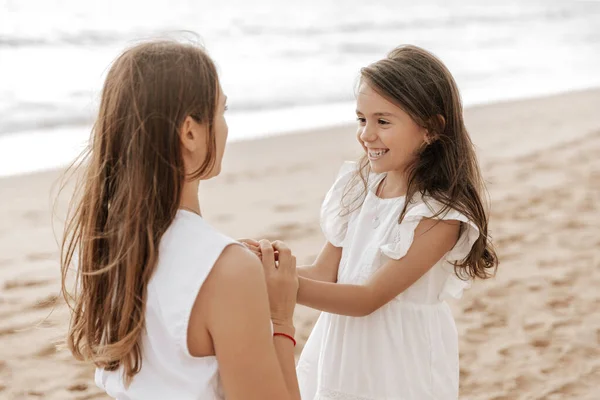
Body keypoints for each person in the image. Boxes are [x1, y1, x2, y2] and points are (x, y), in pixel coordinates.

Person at [248, 45, 499, 399]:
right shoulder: (360, 187)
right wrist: (261, 266)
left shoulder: (438, 215)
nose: (367, 134)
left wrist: (283, 288)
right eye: (361, 119)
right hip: (343, 349)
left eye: (383, 121)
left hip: (398, 362)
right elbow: (325, 272)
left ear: (430, 128)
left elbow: (368, 298)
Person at [59, 40, 301, 400]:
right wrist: (280, 318)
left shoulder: (103, 246)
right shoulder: (228, 269)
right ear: (190, 131)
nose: (224, 127)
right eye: (221, 111)